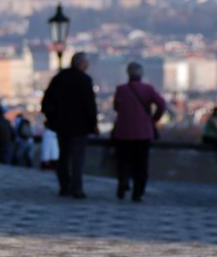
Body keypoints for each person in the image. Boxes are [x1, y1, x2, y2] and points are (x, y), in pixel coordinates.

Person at [41, 52, 99, 198]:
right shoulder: (84, 80)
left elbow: (46, 102)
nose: (87, 65)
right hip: (80, 126)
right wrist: (93, 124)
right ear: (81, 64)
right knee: (77, 159)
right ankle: (77, 188)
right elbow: (90, 105)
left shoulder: (59, 78)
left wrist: (52, 119)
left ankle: (64, 186)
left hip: (62, 125)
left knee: (63, 156)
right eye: (86, 63)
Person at [112, 62, 167, 202]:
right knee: (141, 164)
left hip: (123, 132)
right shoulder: (148, 89)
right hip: (143, 133)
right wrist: (154, 119)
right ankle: (138, 192)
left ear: (128, 74)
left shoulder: (121, 89)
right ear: (141, 74)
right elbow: (161, 104)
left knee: (123, 161)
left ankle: (123, 181)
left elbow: (116, 107)